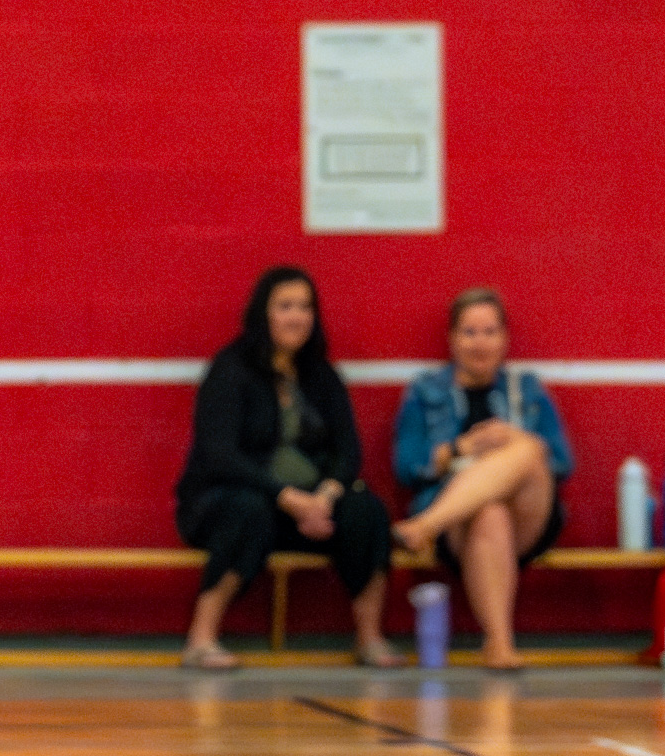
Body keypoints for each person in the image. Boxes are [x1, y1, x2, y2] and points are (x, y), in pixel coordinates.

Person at [175, 266, 399, 669]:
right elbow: (219, 455)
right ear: (264, 313)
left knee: (367, 511)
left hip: (312, 509)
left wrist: (326, 498)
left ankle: (369, 638)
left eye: (305, 307)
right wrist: (287, 497)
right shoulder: (230, 370)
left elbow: (349, 452)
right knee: (248, 511)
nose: (297, 316)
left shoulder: (322, 375)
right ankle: (201, 638)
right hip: (227, 502)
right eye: (285, 306)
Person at [392, 288, 573, 669]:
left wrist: (513, 441)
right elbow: (406, 466)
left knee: (527, 449)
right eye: (469, 332)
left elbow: (561, 462)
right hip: (459, 520)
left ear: (504, 338)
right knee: (490, 511)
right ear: (452, 339)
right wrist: (461, 449)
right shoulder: (426, 391)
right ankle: (499, 643)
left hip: (529, 512)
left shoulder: (526, 390)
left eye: (489, 332)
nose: (480, 342)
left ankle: (422, 527)